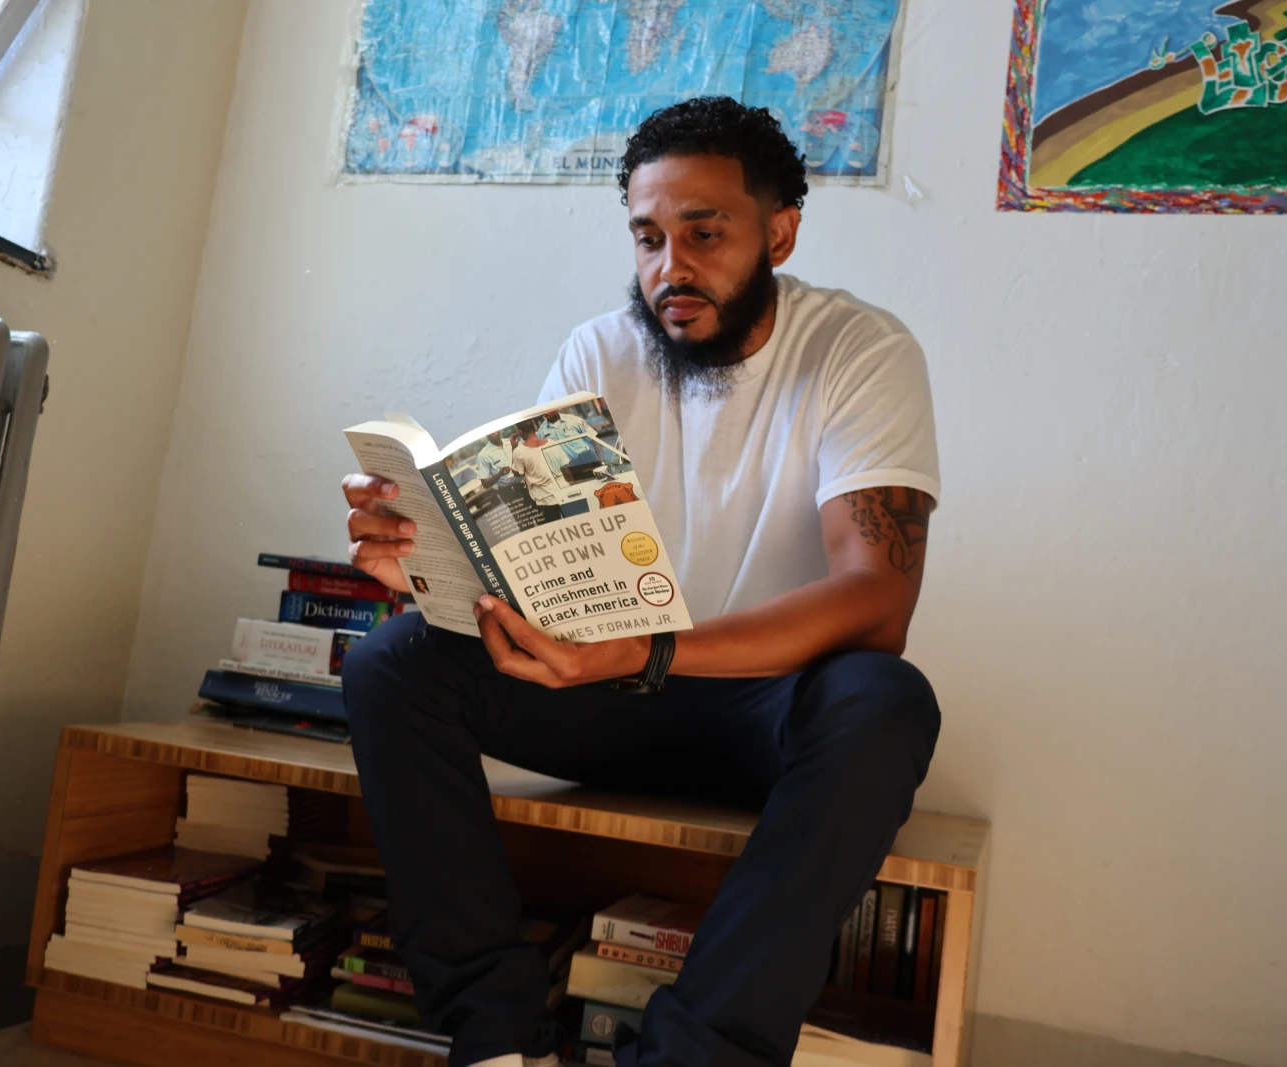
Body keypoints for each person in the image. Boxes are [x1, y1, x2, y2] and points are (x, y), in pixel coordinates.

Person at [340, 96, 940, 1067]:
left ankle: (694, 1057)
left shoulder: (859, 350)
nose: (671, 266)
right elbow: (537, 567)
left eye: (705, 233)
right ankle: (496, 1041)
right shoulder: (599, 352)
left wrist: (654, 647)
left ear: (779, 232)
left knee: (885, 697)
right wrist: (429, 566)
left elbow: (876, 597)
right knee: (392, 665)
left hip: (764, 712)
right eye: (649, 236)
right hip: (605, 687)